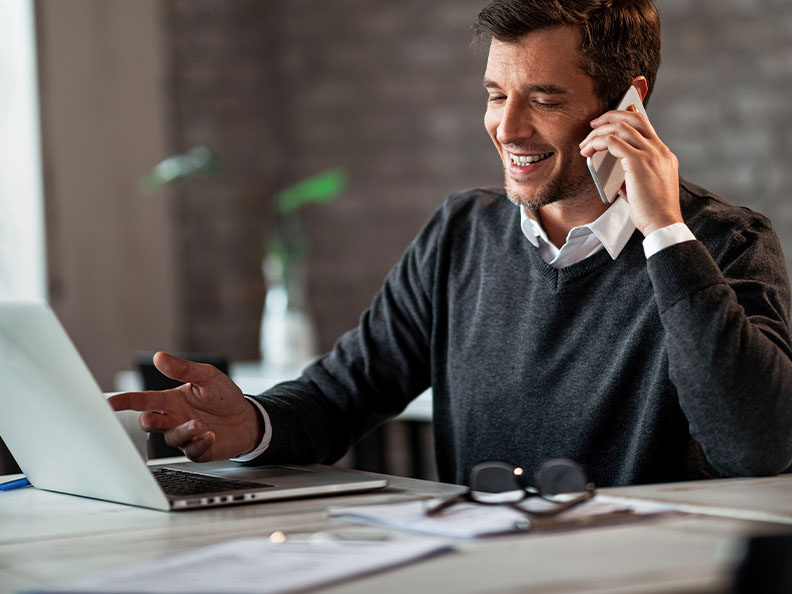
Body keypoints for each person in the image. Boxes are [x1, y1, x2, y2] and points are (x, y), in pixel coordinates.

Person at [109, 0, 792, 487]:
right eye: (497, 94)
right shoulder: (461, 234)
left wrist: (664, 232)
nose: (508, 127)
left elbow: (757, 446)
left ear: (628, 104)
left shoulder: (722, 243)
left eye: (545, 99)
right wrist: (250, 423)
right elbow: (342, 394)